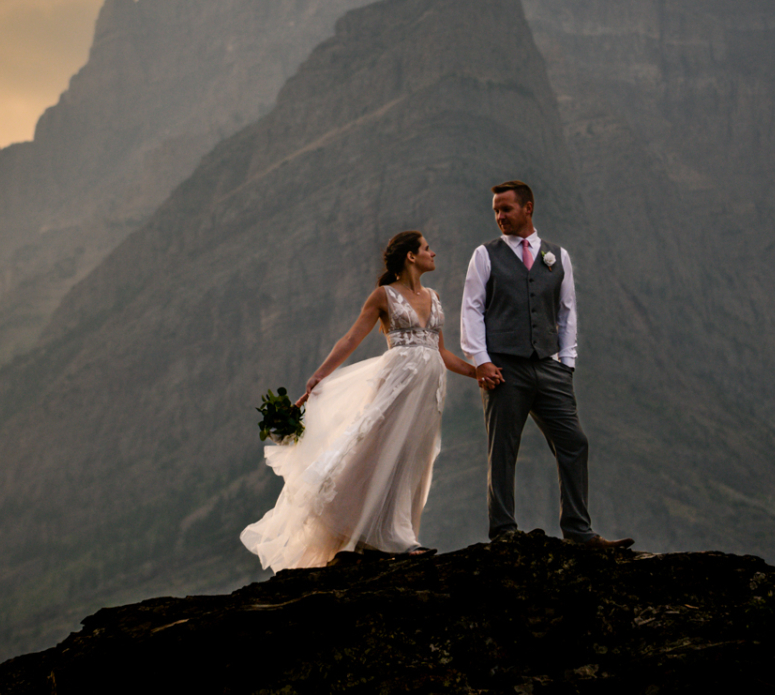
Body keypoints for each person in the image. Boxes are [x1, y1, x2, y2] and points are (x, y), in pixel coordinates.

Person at [240, 230, 481, 569]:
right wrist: (319, 376)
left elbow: (441, 352)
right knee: (378, 450)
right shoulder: (383, 296)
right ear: (411, 256)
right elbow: (351, 338)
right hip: (397, 384)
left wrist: (477, 373)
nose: (433, 253)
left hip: (429, 391)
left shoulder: (434, 296)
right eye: (427, 248)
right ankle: (389, 537)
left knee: (413, 458)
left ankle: (393, 534)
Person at [460, 181, 631, 549]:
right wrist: (482, 361)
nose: (499, 216)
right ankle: (503, 532)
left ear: (528, 208)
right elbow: (471, 309)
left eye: (506, 209)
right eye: (495, 211)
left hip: (550, 368)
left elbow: (567, 311)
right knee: (503, 449)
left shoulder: (558, 256)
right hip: (504, 368)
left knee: (574, 442)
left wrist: (566, 364)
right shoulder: (485, 255)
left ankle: (578, 530)